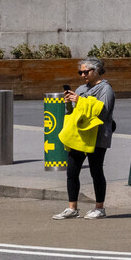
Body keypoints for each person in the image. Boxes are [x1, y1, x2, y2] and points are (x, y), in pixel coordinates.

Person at [51, 58, 115, 219]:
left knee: (96, 171)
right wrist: (69, 103)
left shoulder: (105, 89)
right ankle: (72, 208)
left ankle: (99, 208)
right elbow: (72, 113)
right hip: (79, 135)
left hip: (97, 135)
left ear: (97, 70)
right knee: (72, 171)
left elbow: (103, 112)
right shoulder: (81, 89)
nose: (83, 75)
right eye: (80, 72)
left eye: (86, 72)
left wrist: (79, 100)